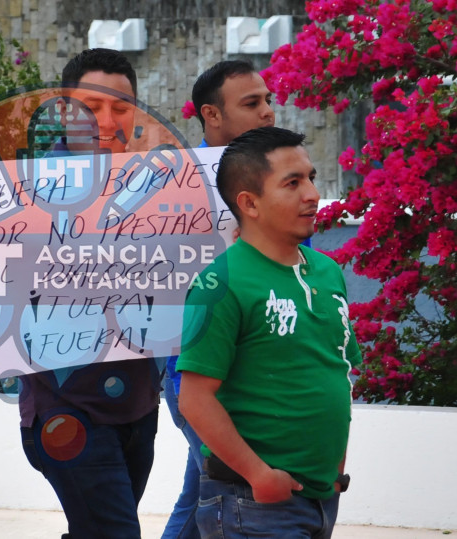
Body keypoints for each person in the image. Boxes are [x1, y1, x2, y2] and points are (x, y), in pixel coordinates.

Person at [177, 126, 359, 539]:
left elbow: (338, 369)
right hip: (252, 505)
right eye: (292, 183)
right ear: (250, 203)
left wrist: (335, 470)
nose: (311, 194)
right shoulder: (219, 283)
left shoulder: (328, 272)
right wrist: (259, 474)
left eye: (311, 178)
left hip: (320, 499)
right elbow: (194, 398)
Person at [16, 48, 163, 539]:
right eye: (90, 106)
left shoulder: (165, 190)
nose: (106, 120)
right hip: (64, 405)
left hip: (139, 402)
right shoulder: (17, 195)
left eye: (120, 107)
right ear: (61, 111)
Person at [161, 59, 276, 539]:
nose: (268, 113)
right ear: (211, 115)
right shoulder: (169, 189)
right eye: (251, 104)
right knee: (228, 493)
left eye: (268, 100)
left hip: (263, 373)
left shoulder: (279, 177)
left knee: (205, 492)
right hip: (198, 374)